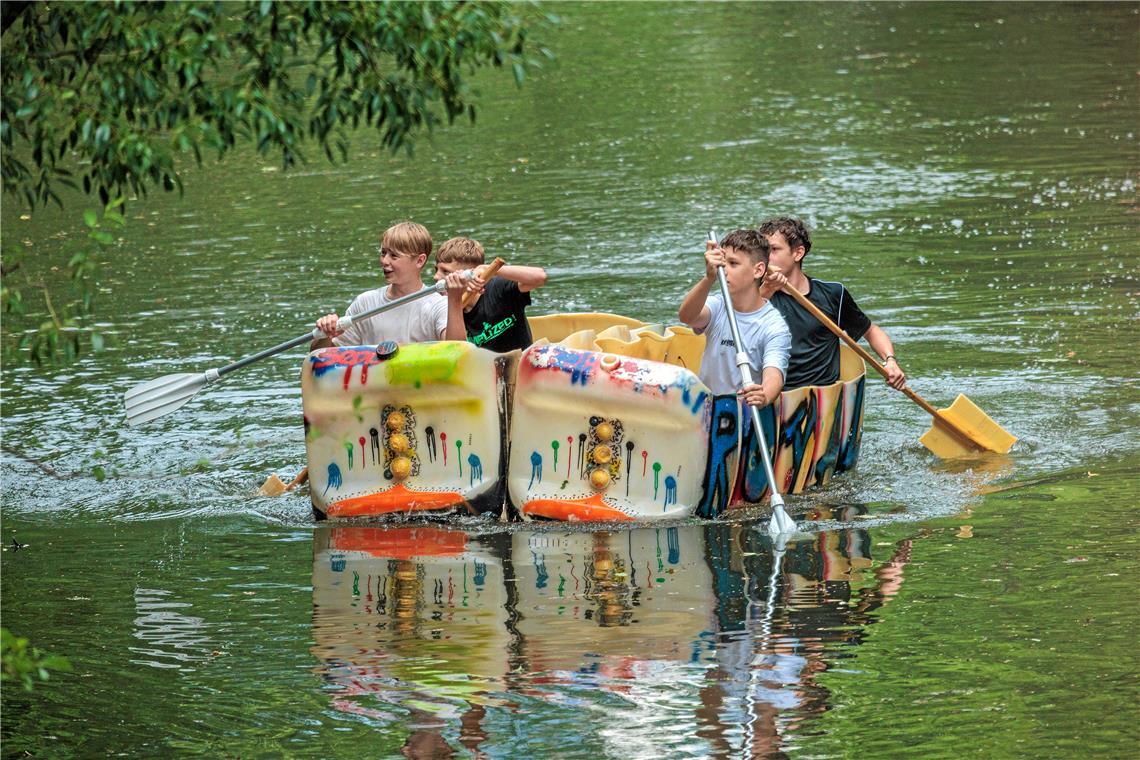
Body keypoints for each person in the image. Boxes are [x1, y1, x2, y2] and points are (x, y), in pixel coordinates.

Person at [756, 216, 906, 390]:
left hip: (824, 399)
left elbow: (870, 331)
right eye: (763, 251)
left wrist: (890, 360)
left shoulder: (833, 294)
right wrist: (767, 289)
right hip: (769, 394)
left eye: (774, 250)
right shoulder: (752, 293)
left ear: (798, 253)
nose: (766, 258)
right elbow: (735, 326)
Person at [678, 228, 791, 408]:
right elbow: (687, 317)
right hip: (705, 409)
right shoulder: (718, 304)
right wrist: (708, 278)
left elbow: (774, 375)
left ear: (758, 270)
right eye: (723, 264)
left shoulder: (774, 325)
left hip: (743, 413)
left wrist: (764, 395)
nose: (724, 271)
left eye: (733, 263)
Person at [311, 221, 448, 350]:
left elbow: (456, 350)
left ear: (419, 260)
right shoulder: (365, 303)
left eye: (394, 256)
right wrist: (324, 336)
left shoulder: (439, 305)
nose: (384, 261)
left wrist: (455, 299)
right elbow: (324, 357)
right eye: (383, 253)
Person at [432, 236, 547, 353]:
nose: (436, 277)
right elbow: (454, 352)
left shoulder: (498, 287)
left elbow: (540, 277)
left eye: (445, 271)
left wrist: (488, 269)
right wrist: (454, 301)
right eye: (436, 270)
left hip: (521, 366)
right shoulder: (443, 307)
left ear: (471, 273)